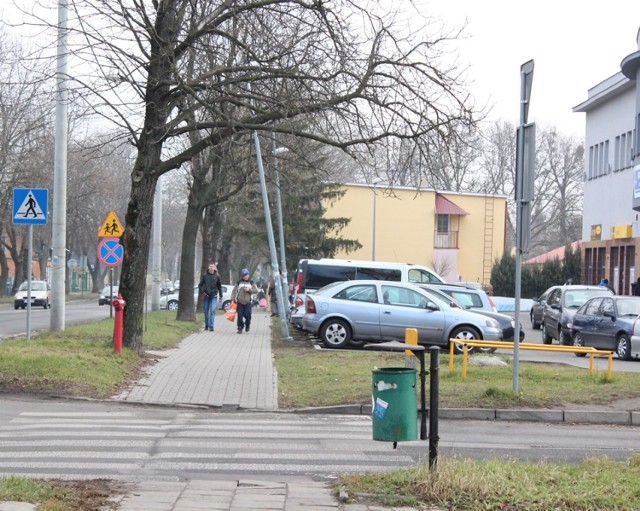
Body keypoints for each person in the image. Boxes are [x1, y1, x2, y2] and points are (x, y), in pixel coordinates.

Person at [232, 268, 258, 334]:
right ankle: (240, 328)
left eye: (247, 275)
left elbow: (255, 291)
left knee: (248, 315)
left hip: (248, 302)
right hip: (240, 302)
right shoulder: (238, 282)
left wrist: (249, 290)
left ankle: (247, 324)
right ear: (242, 276)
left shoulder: (251, 283)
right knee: (240, 315)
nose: (246, 276)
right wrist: (233, 299)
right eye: (245, 275)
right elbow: (234, 291)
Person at [198, 262, 223, 331]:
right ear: (208, 267)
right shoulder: (205, 275)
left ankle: (211, 326)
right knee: (206, 311)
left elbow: (219, 287)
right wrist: (203, 292)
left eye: (213, 266)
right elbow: (200, 285)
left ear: (215, 268)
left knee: (212, 310)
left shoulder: (217, 276)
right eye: (210, 266)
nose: (211, 268)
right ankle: (206, 324)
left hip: (214, 296)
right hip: (206, 295)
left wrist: (221, 296)